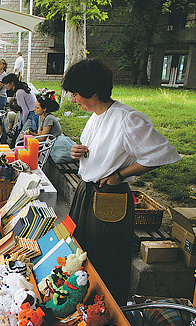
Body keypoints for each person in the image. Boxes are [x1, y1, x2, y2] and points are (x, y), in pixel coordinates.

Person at [62, 58, 181, 305]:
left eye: (76, 94)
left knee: (103, 257)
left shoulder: (127, 118)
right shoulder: (96, 115)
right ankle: (79, 303)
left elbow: (161, 153)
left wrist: (121, 174)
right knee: (80, 250)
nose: (74, 99)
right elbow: (101, 151)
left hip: (108, 197)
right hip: (86, 193)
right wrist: (79, 152)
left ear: (93, 91)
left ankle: (105, 311)